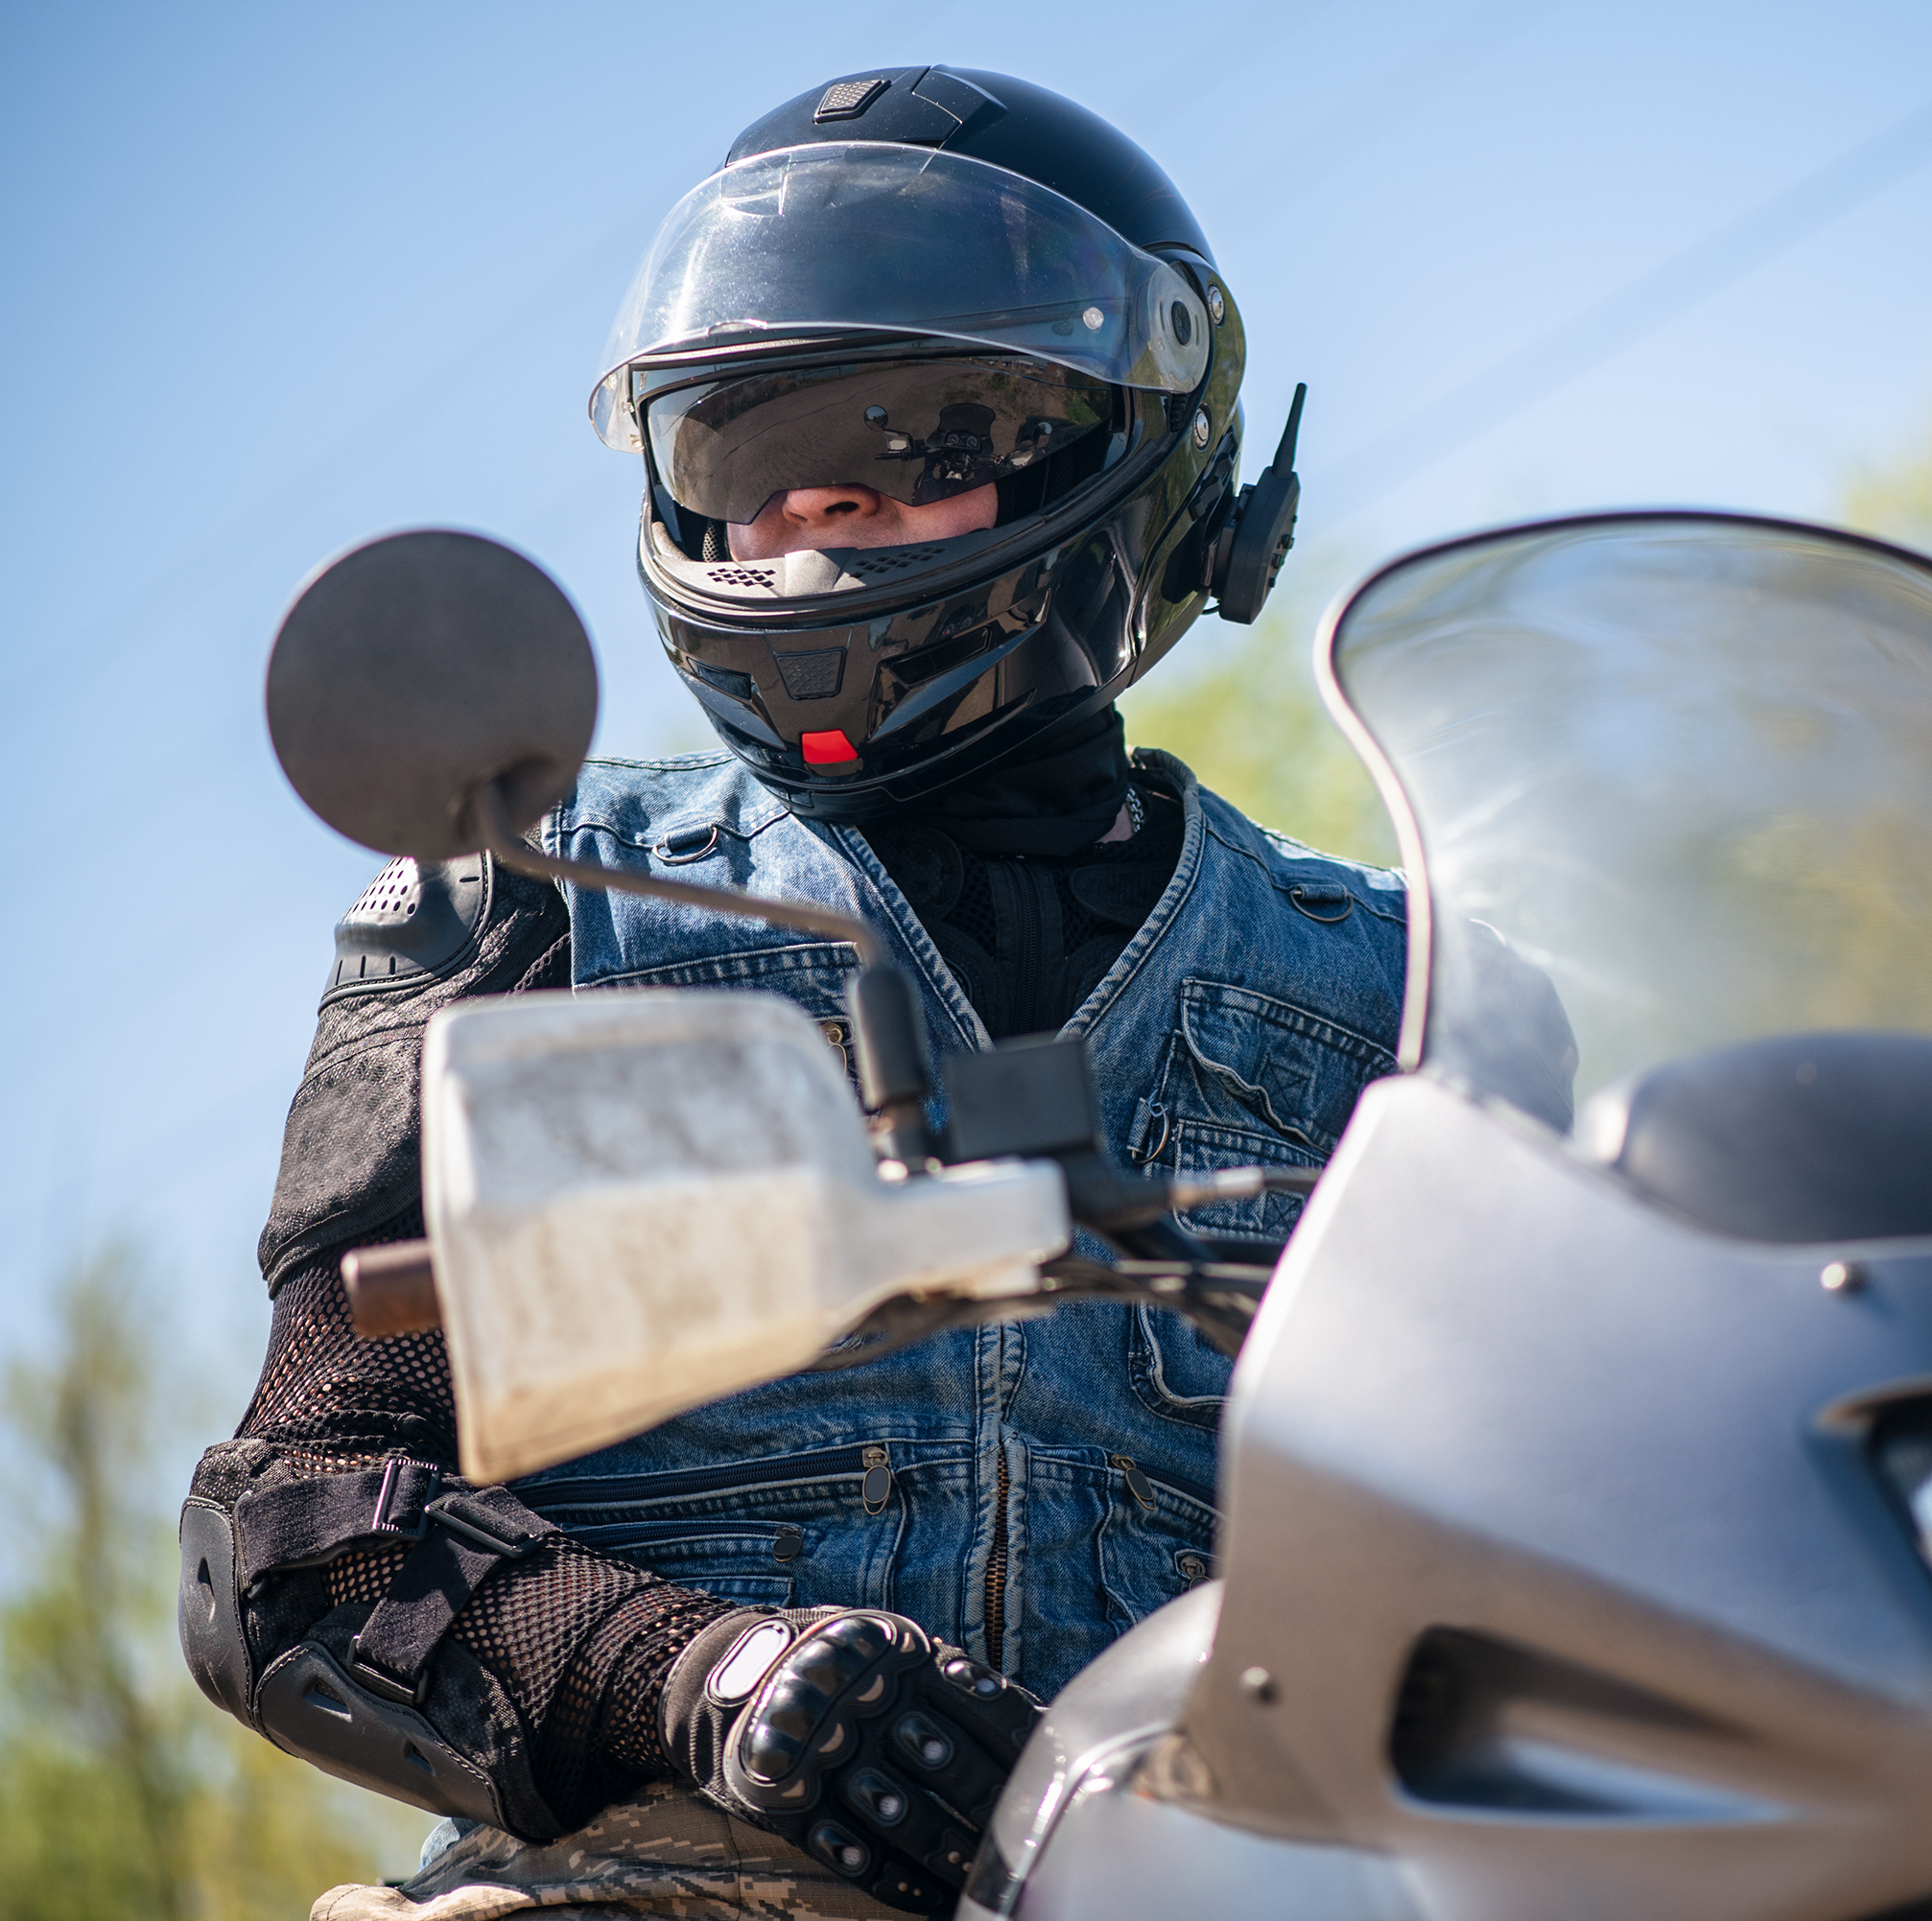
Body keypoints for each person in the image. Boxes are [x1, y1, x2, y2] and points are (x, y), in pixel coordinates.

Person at [177, 67, 1407, 1920]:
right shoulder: (534, 904)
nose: (809, 509)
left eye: (913, 433)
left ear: (1125, 448)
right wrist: (699, 1683)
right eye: (743, 458)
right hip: (655, 1878)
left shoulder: (1381, 980)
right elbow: (289, 1541)